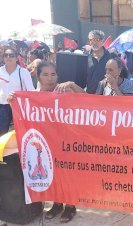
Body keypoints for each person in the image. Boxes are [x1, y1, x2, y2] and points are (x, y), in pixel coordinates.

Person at [7, 62, 82, 223]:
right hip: (44, 142)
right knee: (52, 173)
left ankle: (70, 206)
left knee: (66, 174)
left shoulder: (64, 91)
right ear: (37, 76)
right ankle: (57, 204)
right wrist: (13, 100)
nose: (50, 79)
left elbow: (87, 99)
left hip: (65, 141)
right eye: (45, 75)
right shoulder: (30, 95)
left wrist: (73, 85)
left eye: (53, 74)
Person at [0, 48, 34, 135]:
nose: (8, 57)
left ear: (16, 58)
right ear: (3, 58)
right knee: (2, 132)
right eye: (6, 55)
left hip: (18, 106)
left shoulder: (23, 72)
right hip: (2, 106)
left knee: (19, 132)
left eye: (11, 55)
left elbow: (31, 91)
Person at [86, 30, 115, 94]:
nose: (94, 43)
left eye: (97, 40)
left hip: (108, 95)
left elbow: (119, 72)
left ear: (102, 41)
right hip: (91, 94)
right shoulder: (85, 56)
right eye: (91, 40)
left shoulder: (111, 55)